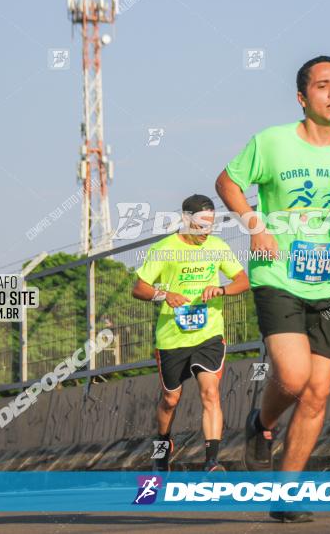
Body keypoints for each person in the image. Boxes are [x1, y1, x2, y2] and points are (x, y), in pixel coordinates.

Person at [216, 55, 330, 523]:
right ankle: (262, 424)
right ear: (302, 97)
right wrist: (255, 224)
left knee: (317, 392)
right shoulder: (271, 143)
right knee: (292, 378)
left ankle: (287, 492)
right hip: (278, 275)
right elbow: (227, 182)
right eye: (323, 86)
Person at [132, 194, 249, 473]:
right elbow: (139, 288)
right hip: (172, 337)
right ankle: (163, 442)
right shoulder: (164, 249)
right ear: (185, 220)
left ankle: (212, 461)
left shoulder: (217, 247)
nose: (205, 231)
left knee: (210, 392)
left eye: (210, 225)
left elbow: (243, 281)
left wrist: (221, 289)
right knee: (171, 400)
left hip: (208, 333)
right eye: (200, 226)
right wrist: (164, 294)